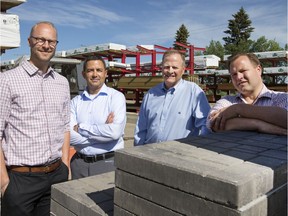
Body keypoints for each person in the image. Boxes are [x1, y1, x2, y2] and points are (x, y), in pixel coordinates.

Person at [0, 21, 70, 216]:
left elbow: (65, 125)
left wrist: (65, 164)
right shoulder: (7, 80)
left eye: (51, 41)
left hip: (56, 174)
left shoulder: (62, 83)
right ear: (30, 41)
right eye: (41, 40)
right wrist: (4, 182)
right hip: (21, 181)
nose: (46, 45)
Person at [134, 49, 211, 145]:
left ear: (183, 70)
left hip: (179, 156)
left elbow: (205, 124)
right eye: (166, 67)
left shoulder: (193, 92)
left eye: (174, 67)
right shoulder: (151, 94)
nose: (170, 71)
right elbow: (141, 129)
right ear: (161, 68)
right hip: (149, 153)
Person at [70, 55, 126, 179]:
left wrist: (81, 128)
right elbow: (69, 137)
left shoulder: (116, 97)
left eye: (99, 70)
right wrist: (103, 132)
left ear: (105, 73)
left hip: (108, 163)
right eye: (90, 70)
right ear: (83, 74)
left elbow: (115, 133)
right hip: (79, 164)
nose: (95, 74)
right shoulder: (75, 102)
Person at [207, 53, 287, 135]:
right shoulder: (226, 101)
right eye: (234, 74)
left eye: (242, 71)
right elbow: (213, 123)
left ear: (258, 70)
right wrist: (258, 125)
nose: (238, 77)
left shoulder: (282, 98)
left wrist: (238, 110)